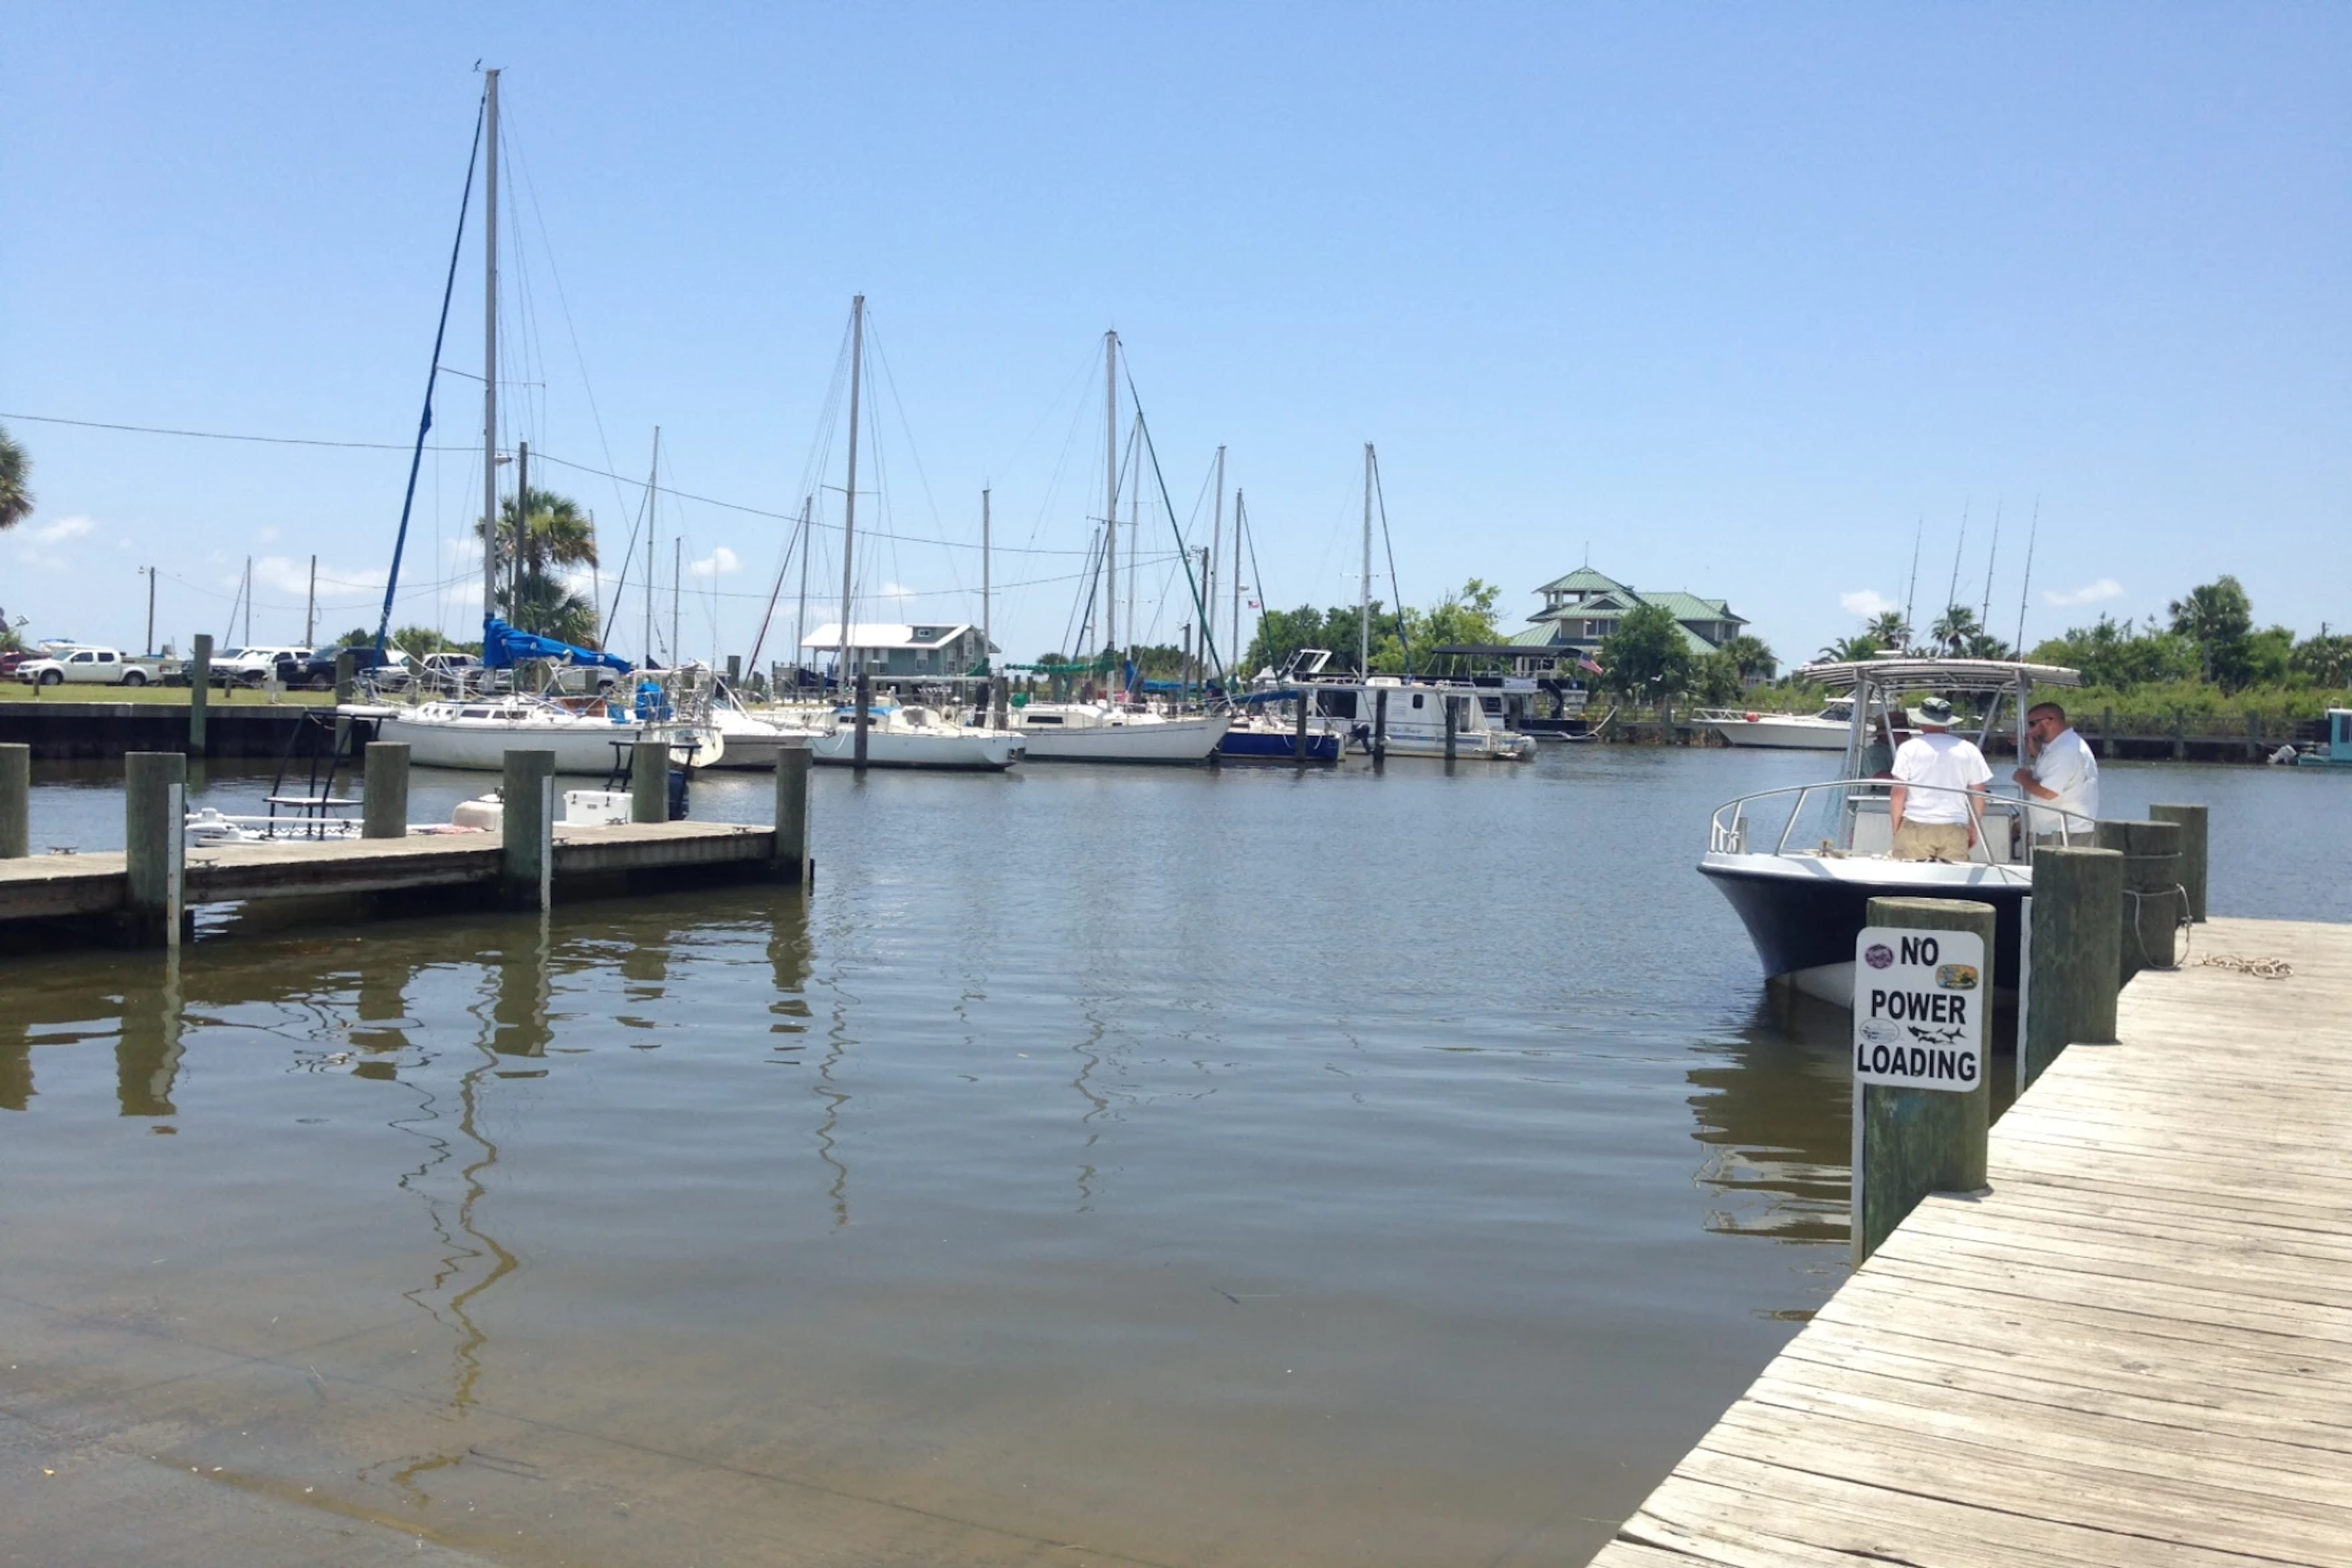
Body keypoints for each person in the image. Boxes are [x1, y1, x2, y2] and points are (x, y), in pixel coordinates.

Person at [1889, 695, 1991, 861]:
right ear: (1948, 722)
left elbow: (1898, 793)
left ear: (1921, 721)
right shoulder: (1969, 750)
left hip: (1916, 824)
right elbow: (1979, 794)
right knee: (1953, 882)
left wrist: (1897, 827)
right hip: (1955, 827)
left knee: (1909, 880)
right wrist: (1974, 829)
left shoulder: (1908, 748)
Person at [2013, 701, 2100, 839]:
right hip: (2057, 829)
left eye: (2032, 724)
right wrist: (2034, 750)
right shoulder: (2061, 746)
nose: (2030, 731)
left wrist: (2023, 778)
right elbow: (2054, 768)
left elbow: (2049, 792)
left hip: (2064, 832)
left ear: (2048, 721)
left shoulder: (2065, 750)